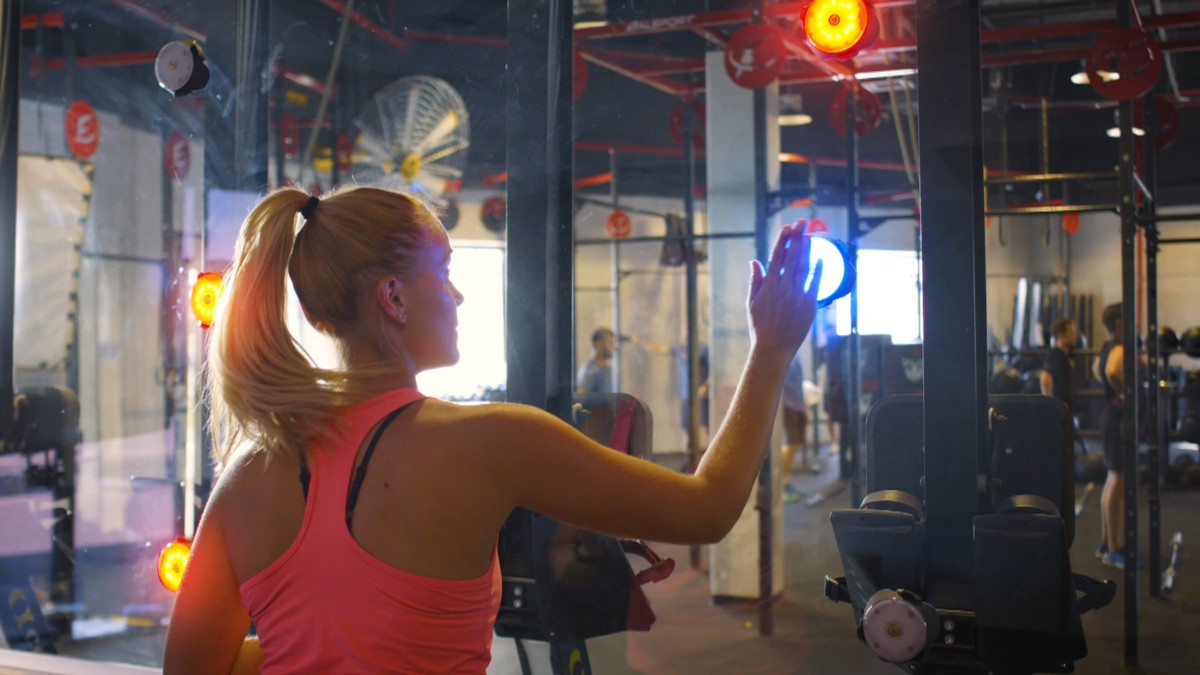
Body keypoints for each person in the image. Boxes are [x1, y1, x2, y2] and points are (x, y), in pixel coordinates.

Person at [162, 186, 822, 674]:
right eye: (445, 271)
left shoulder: (250, 472)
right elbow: (709, 507)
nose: (458, 295)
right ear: (393, 298)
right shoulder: (496, 440)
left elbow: (193, 668)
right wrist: (771, 349)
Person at [1093, 303, 1125, 568]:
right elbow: (1111, 371)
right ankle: (1115, 549)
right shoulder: (1119, 348)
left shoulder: (1104, 347)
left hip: (1108, 416)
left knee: (1112, 478)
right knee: (1117, 479)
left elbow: (1095, 369)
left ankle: (1105, 542)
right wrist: (1122, 392)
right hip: (1116, 419)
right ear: (1118, 323)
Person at [780, 352, 815, 503]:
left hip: (796, 405)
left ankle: (785, 482)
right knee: (791, 444)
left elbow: (796, 383)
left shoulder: (794, 352)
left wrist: (803, 406)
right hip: (789, 405)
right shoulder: (784, 350)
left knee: (794, 444)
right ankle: (783, 485)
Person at [1039, 318, 1078, 410]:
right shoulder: (1056, 355)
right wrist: (1052, 407)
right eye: (1071, 332)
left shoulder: (1064, 357)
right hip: (1058, 410)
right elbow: (1045, 380)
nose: (1075, 336)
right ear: (1061, 335)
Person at [577, 327, 616, 394]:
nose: (613, 347)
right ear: (599, 344)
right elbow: (581, 396)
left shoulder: (608, 369)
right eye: (610, 343)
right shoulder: (589, 370)